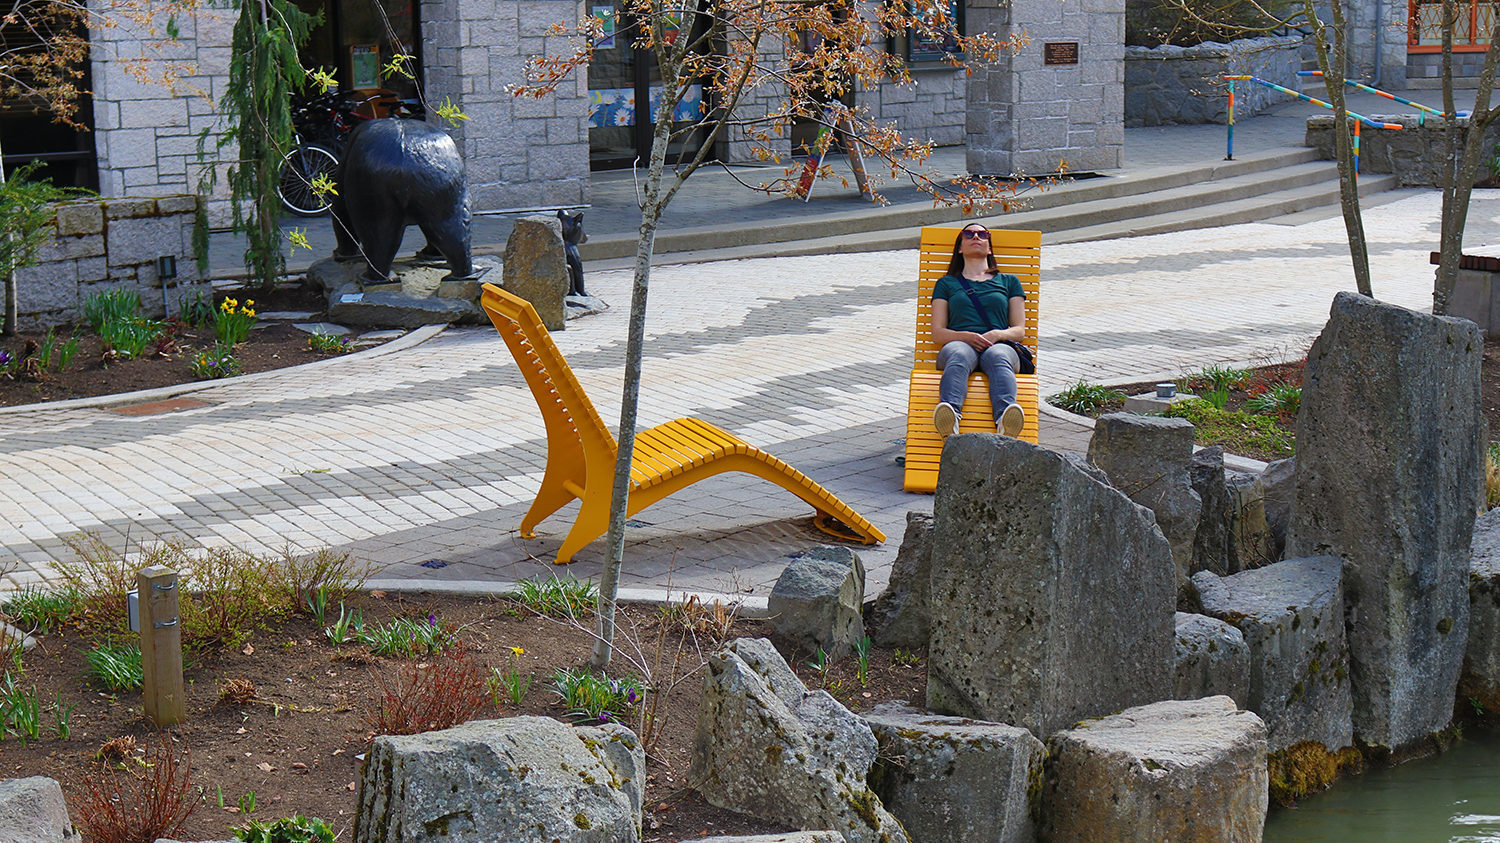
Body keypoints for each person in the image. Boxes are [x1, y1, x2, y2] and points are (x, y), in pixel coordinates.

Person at [930, 223, 1027, 438]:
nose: (976, 236)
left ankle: (1006, 422)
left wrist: (997, 335)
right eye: (968, 234)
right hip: (958, 344)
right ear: (960, 248)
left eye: (983, 234)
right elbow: (937, 332)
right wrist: (964, 336)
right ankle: (950, 419)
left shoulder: (1009, 281)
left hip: (999, 344)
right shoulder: (946, 284)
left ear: (990, 248)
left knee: (997, 354)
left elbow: (1019, 330)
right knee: (959, 353)